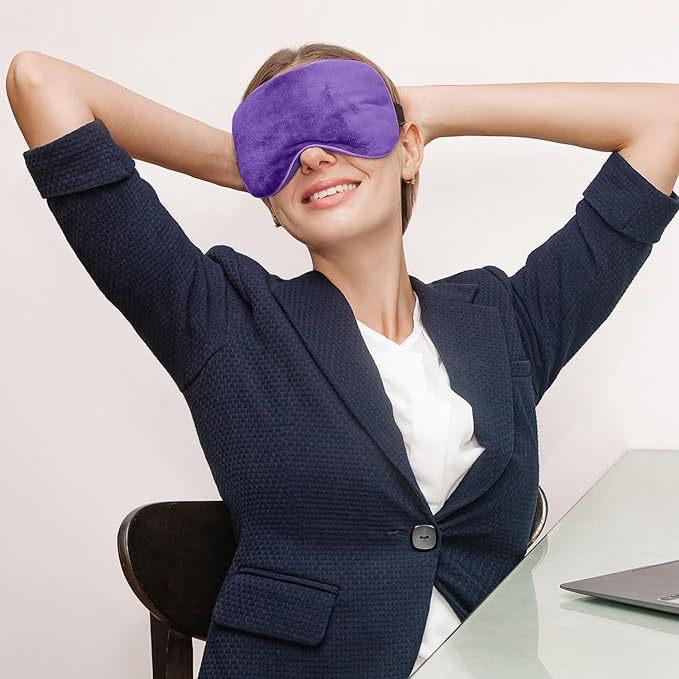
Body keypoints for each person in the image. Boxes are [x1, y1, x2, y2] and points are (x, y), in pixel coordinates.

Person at [9, 43, 679, 679]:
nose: (311, 153)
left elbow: (664, 119)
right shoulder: (221, 320)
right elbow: (40, 82)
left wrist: (425, 109)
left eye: (341, 118)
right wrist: (237, 161)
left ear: (407, 149)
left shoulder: (507, 321)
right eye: (280, 141)